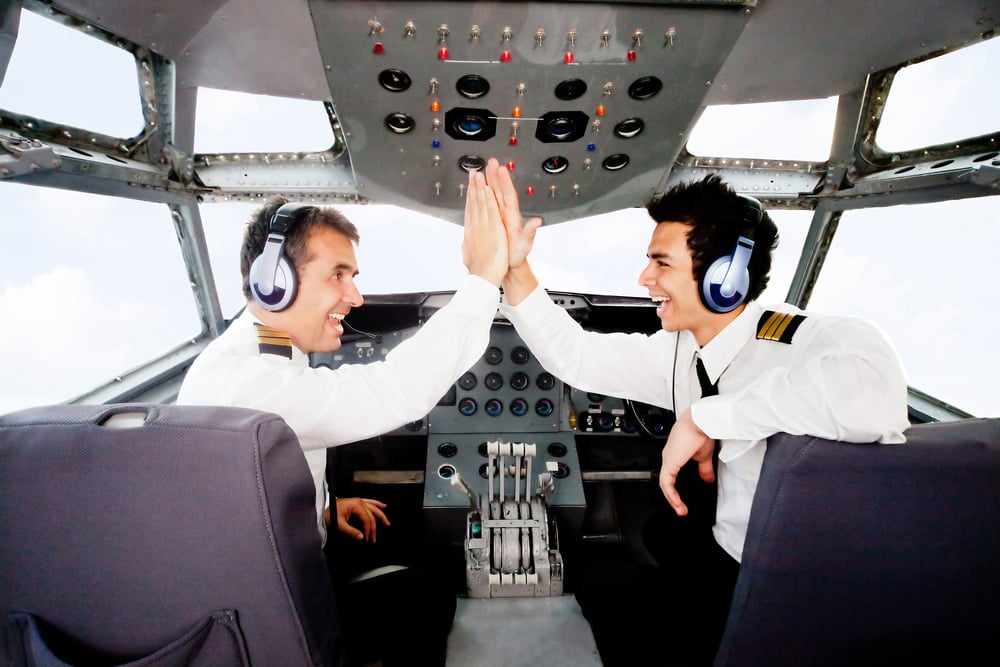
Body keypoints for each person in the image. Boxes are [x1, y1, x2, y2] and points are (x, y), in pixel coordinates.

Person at [481, 157, 909, 665]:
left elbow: (871, 394)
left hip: (782, 583)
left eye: (662, 263)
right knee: (659, 530)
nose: (644, 278)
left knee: (600, 579)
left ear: (726, 277)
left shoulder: (803, 338)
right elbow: (580, 357)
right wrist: (515, 268)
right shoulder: (682, 351)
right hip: (724, 543)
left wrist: (709, 418)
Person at [177, 168, 508, 666]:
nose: (355, 297)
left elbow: (251, 484)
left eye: (353, 277)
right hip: (272, 611)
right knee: (430, 589)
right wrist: (483, 280)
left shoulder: (265, 355)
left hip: (268, 569)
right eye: (338, 275)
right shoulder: (245, 382)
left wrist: (325, 504)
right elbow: (394, 390)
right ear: (274, 283)